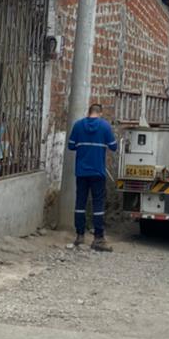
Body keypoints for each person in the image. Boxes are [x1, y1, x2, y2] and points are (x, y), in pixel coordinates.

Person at [67, 102, 118, 251]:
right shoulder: (105, 126)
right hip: (98, 172)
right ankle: (98, 238)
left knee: (80, 203)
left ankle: (79, 236)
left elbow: (71, 145)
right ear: (100, 113)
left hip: (81, 172)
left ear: (88, 112)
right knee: (98, 204)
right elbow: (114, 146)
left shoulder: (78, 125)